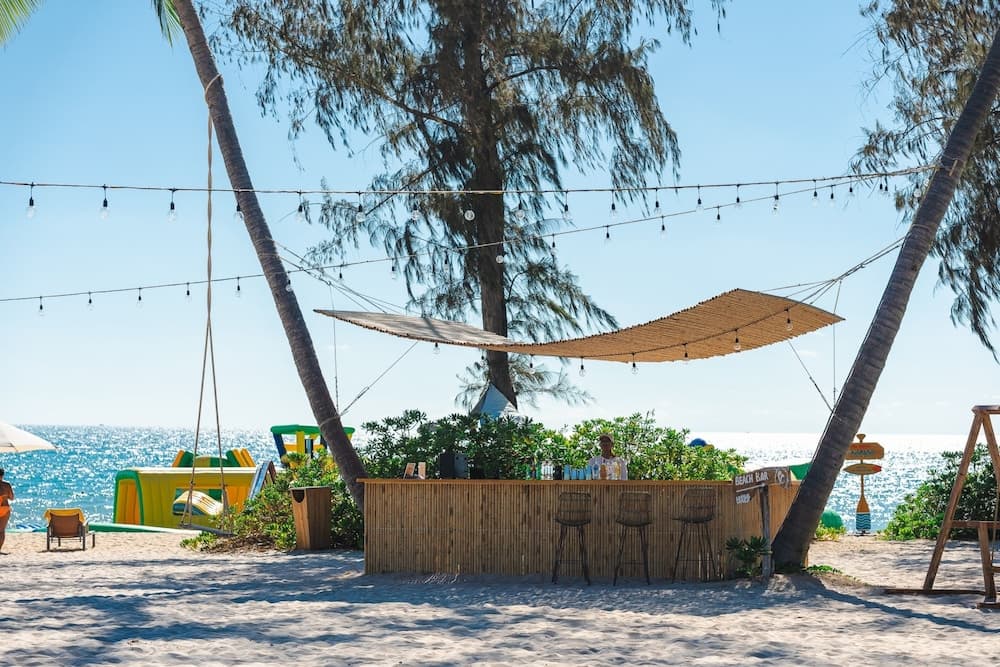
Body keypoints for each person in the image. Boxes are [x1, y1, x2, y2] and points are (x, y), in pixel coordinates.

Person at [0, 468, 14, 554]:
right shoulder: (6, 485)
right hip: (4, 508)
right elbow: (12, 497)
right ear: (2, 475)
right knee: (1, 531)